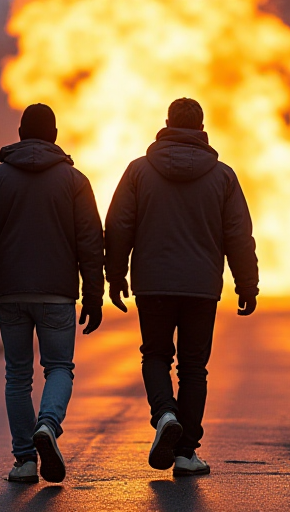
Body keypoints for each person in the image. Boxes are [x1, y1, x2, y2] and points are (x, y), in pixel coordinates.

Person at [104, 97, 259, 476]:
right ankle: (186, 453)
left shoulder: (138, 172)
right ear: (202, 127)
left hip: (153, 284)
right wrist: (247, 284)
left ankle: (164, 414)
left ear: (167, 123)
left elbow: (119, 225)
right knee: (193, 368)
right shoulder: (223, 176)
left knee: (155, 355)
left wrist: (115, 274)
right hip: (201, 288)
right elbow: (238, 235)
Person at [0, 103, 104, 484]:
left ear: (19, 133)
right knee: (59, 367)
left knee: (17, 375)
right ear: (54, 135)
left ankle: (24, 461)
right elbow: (90, 241)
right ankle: (47, 425)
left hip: (10, 292)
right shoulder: (75, 181)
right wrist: (94, 295)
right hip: (57, 293)